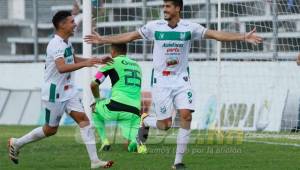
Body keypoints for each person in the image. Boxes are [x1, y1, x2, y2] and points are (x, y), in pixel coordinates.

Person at [84, 0, 263, 169]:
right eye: (164, 6)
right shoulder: (154, 26)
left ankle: (177, 163)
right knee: (165, 125)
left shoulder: (190, 28)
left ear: (178, 8)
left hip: (182, 79)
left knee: (186, 116)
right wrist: (104, 40)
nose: (165, 9)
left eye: (168, 6)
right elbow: (129, 37)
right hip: (161, 80)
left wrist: (243, 36)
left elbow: (216, 35)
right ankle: (145, 120)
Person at [8, 11, 113, 169]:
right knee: (50, 130)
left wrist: (97, 60)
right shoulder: (55, 44)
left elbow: (73, 59)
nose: (75, 24)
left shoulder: (66, 43)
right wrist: (86, 64)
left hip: (69, 91)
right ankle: (17, 143)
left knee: (84, 121)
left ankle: (95, 161)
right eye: (72, 22)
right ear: (62, 25)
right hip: (54, 93)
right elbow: (62, 67)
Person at [90, 43, 142, 152]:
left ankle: (104, 142)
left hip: (117, 106)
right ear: (125, 51)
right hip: (135, 111)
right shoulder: (137, 65)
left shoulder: (112, 62)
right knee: (129, 140)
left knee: (94, 108)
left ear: (112, 52)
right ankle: (134, 141)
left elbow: (94, 84)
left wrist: (97, 101)